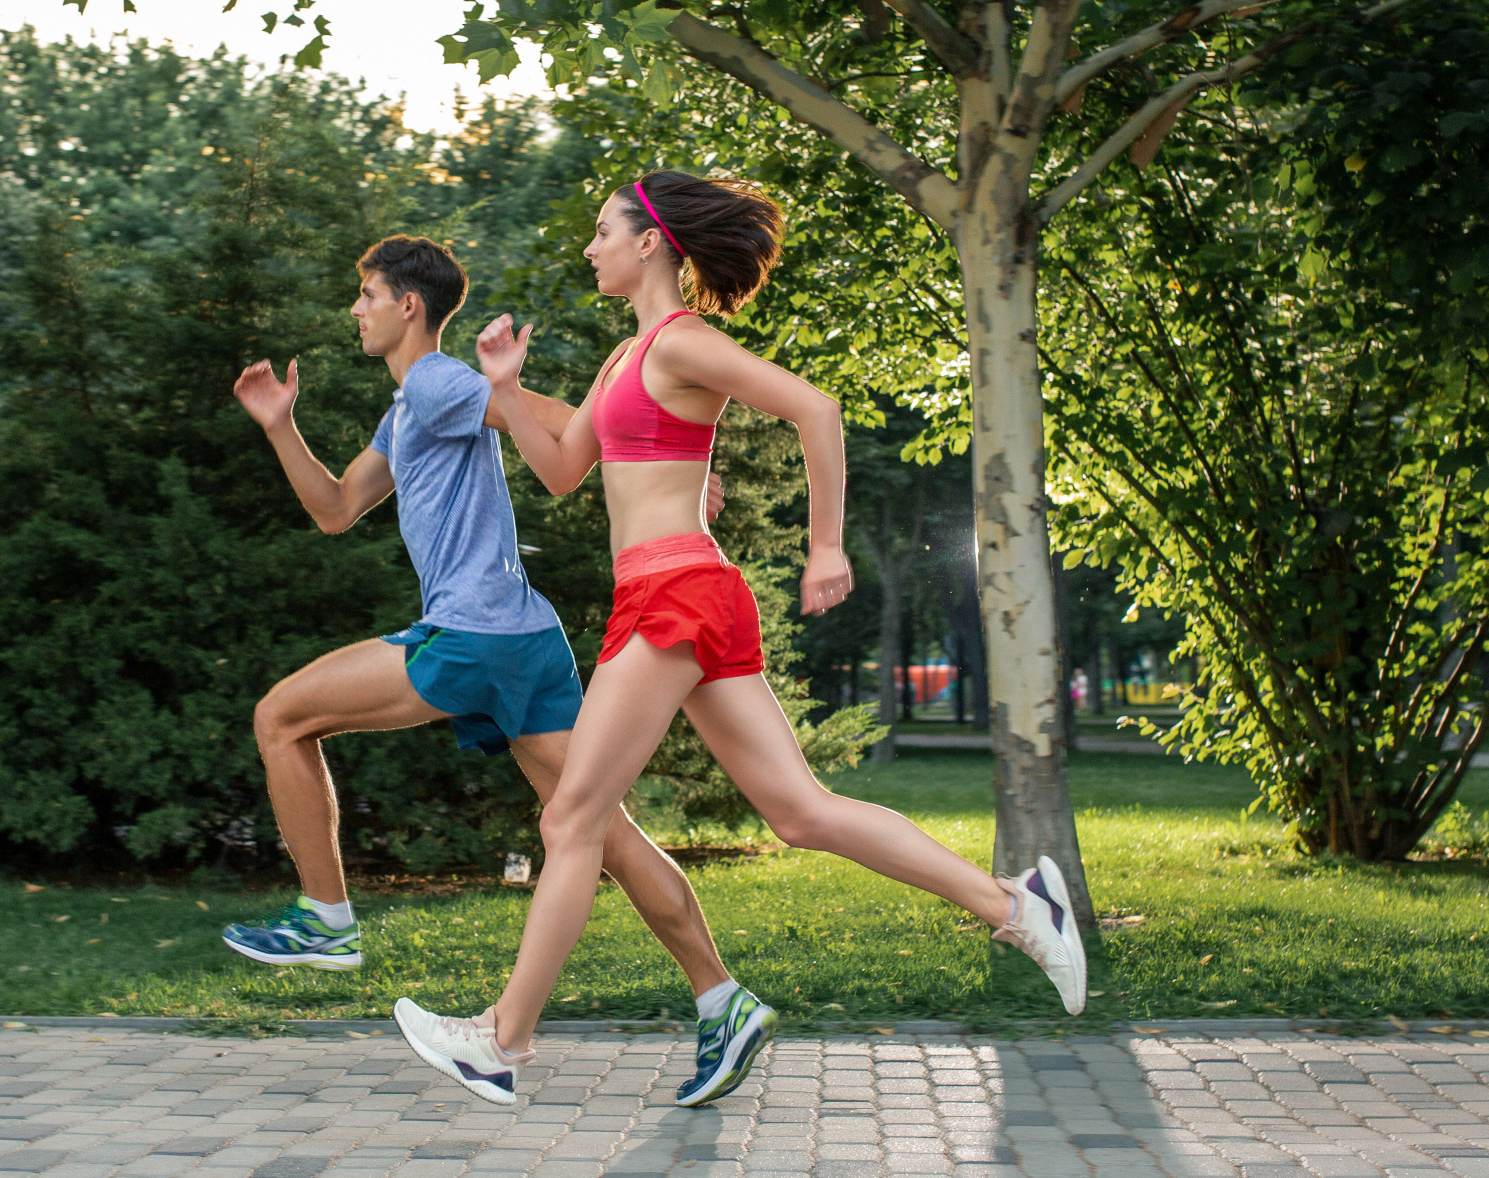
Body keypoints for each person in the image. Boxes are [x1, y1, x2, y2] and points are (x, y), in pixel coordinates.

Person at [392, 173, 1088, 1107]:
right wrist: (507, 391)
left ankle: (499, 1041)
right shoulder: (625, 357)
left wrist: (825, 546)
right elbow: (560, 472)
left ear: (649, 243)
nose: (590, 249)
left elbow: (815, 409)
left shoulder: (684, 342)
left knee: (570, 819)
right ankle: (1013, 905)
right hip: (673, 594)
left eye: (602, 232)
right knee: (799, 813)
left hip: (674, 593)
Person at [221, 235, 758, 1101]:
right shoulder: (409, 409)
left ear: (407, 306)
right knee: (601, 832)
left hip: (472, 635)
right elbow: (336, 508)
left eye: (366, 295)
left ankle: (325, 919)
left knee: (280, 716)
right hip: (524, 639)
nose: (355, 309)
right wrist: (281, 427)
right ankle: (722, 1000)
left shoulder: (436, 381)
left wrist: (673, 467)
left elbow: (556, 421)